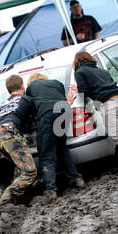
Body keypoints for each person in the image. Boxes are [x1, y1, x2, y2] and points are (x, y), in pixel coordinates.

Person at [72, 51, 118, 174]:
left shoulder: (80, 72)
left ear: (77, 62)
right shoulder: (103, 71)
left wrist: (78, 89)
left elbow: (84, 92)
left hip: (108, 104)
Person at [26, 73, 85, 203]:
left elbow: (30, 107)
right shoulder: (56, 82)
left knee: (47, 153)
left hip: (47, 115)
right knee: (62, 147)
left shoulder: (31, 87)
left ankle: (51, 191)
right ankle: (77, 179)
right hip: (64, 112)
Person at [0, 75, 38, 206]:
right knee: (29, 171)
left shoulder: (4, 103)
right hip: (8, 133)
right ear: (23, 86)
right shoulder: (26, 99)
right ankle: (6, 198)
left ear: (8, 90)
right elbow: (36, 117)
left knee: (18, 165)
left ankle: (16, 199)